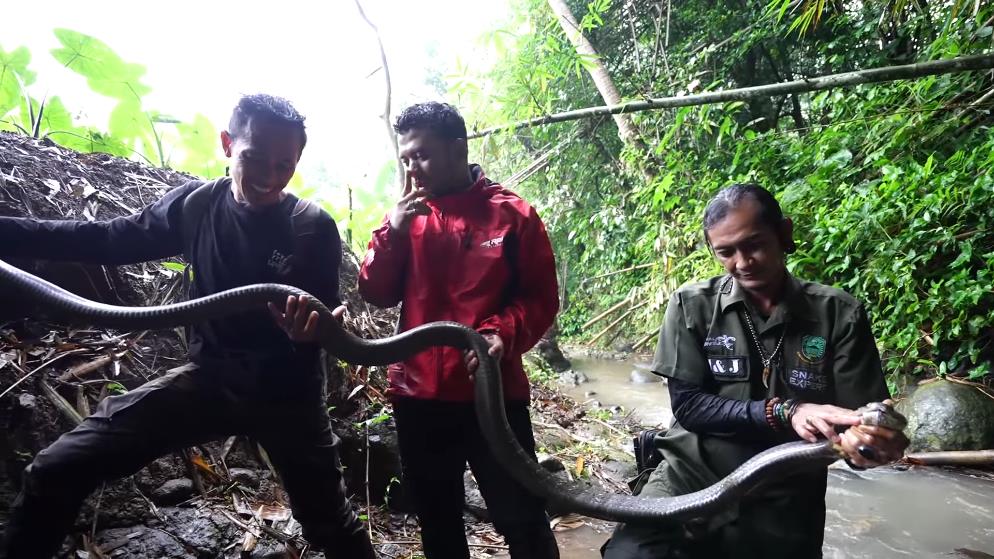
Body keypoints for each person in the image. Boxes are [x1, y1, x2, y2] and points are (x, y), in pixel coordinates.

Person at [0, 94, 376, 559]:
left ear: (298, 160)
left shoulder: (311, 228)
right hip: (210, 381)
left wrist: (313, 333)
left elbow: (325, 315)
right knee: (55, 469)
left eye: (285, 165)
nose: (268, 178)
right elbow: (108, 239)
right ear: (226, 144)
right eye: (255, 158)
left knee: (331, 526)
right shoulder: (198, 207)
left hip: (289, 398)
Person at [601, 183, 909, 559]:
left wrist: (871, 443)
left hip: (787, 493)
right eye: (726, 252)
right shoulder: (690, 306)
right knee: (630, 554)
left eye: (754, 245)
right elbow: (690, 407)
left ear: (784, 234)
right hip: (692, 473)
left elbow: (856, 425)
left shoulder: (839, 314)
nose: (742, 262)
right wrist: (787, 410)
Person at [358, 101, 561, 559]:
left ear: (457, 149)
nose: (414, 168)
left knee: (522, 515)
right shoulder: (407, 218)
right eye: (406, 157)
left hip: (492, 392)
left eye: (423, 155)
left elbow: (540, 298)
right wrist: (391, 233)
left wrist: (500, 333)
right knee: (438, 520)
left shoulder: (512, 215)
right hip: (418, 395)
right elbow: (375, 291)